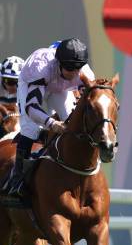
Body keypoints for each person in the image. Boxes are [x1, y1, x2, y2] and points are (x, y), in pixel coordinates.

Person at [2, 38, 95, 197]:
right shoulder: (40, 67)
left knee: (70, 121)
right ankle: (17, 178)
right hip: (33, 83)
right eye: (70, 68)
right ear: (58, 63)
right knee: (30, 128)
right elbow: (32, 107)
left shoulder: (85, 73)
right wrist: (51, 123)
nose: (74, 74)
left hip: (60, 87)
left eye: (77, 69)